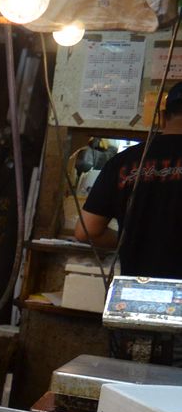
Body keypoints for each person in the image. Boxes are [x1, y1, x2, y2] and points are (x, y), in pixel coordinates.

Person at [74, 82, 182, 276]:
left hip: (136, 291)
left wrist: (132, 239)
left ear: (162, 118)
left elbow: (86, 231)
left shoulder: (123, 162)